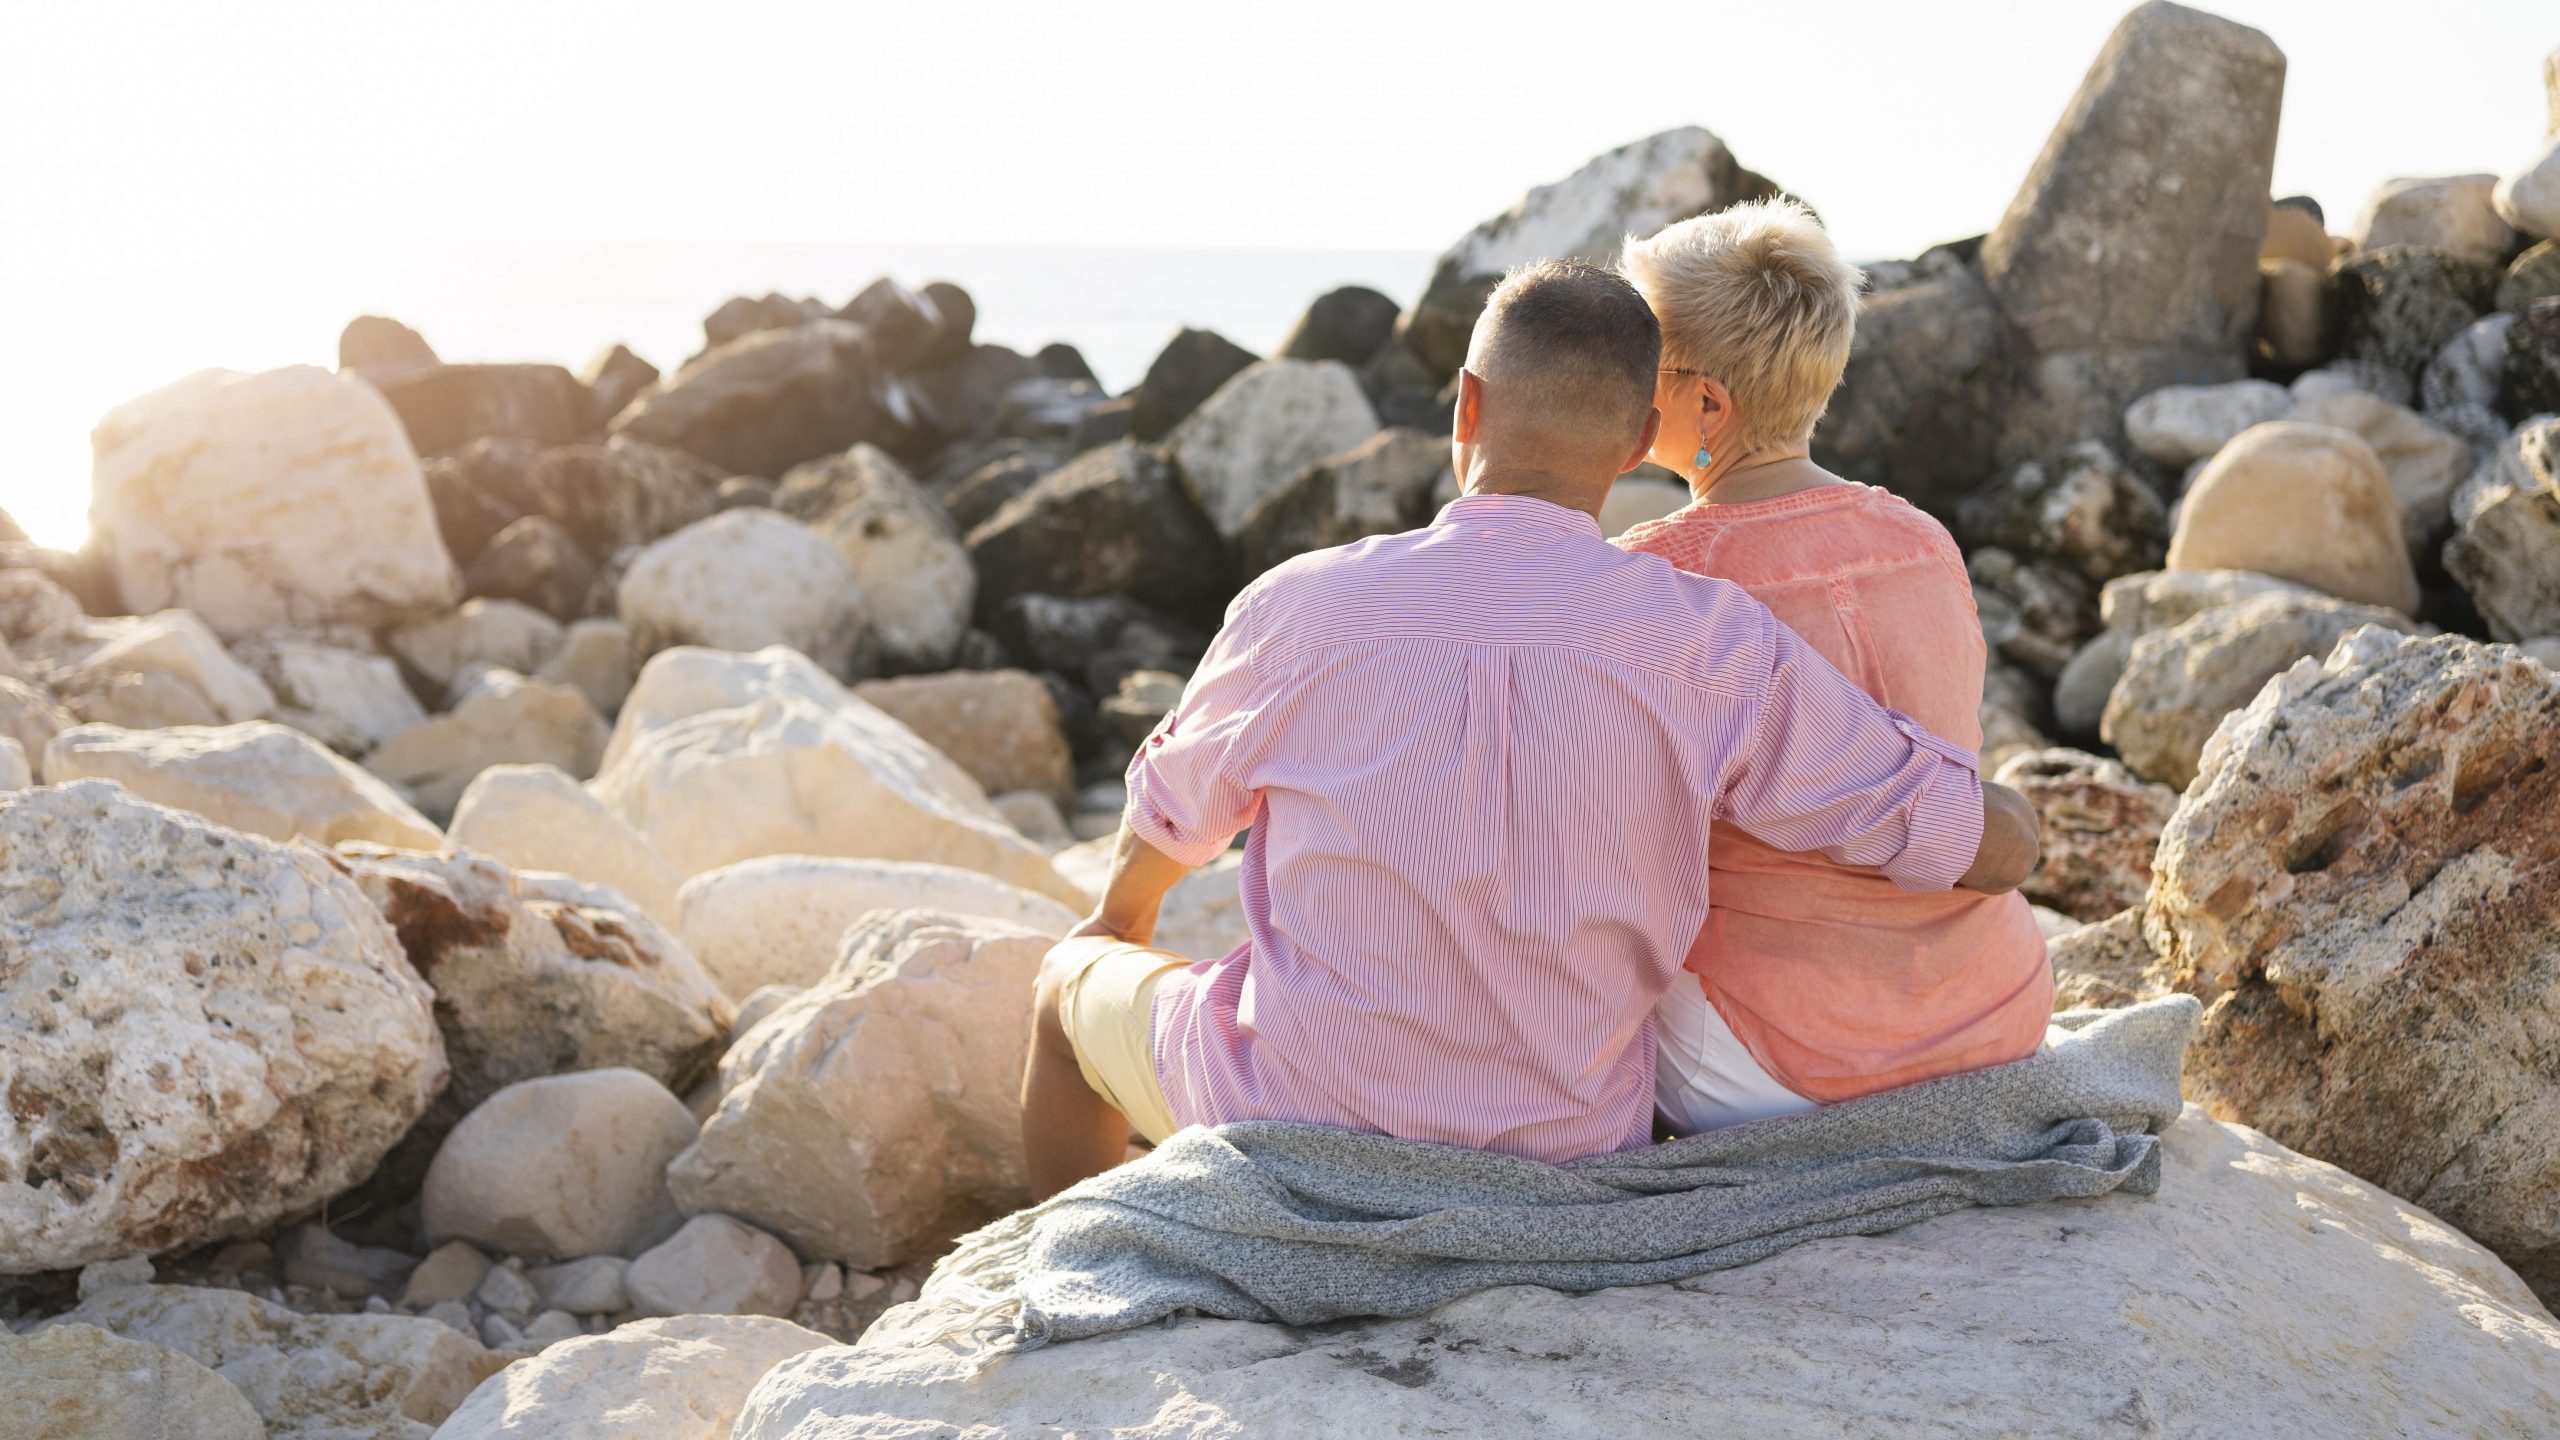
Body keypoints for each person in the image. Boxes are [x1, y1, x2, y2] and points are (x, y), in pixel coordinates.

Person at [1019, 258, 2041, 1198]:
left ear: (1465, 406)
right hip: (1569, 1148)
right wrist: (2017, 833)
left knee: (1068, 989)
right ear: (1643, 439)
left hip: (1302, 1120)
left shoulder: (1300, 608)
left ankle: (1065, 1266)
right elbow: (1917, 817)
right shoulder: (1709, 638)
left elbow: (1164, 824)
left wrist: (1120, 921)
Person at [1617, 199, 2053, 1134]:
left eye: (1639, 365)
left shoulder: (1662, 578)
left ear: (1707, 404)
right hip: (1994, 1012)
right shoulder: (1922, 540)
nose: (1619, 385)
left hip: (1788, 1058)